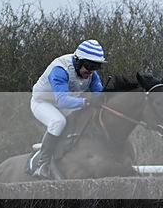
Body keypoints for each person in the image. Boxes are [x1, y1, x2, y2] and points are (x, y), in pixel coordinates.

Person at [29, 39, 107, 179]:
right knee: (58, 122)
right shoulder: (60, 70)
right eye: (89, 66)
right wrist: (88, 101)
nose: (91, 71)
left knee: (84, 119)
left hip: (66, 104)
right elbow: (63, 101)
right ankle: (42, 164)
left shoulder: (91, 74)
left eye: (96, 67)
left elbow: (100, 95)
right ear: (78, 61)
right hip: (43, 103)